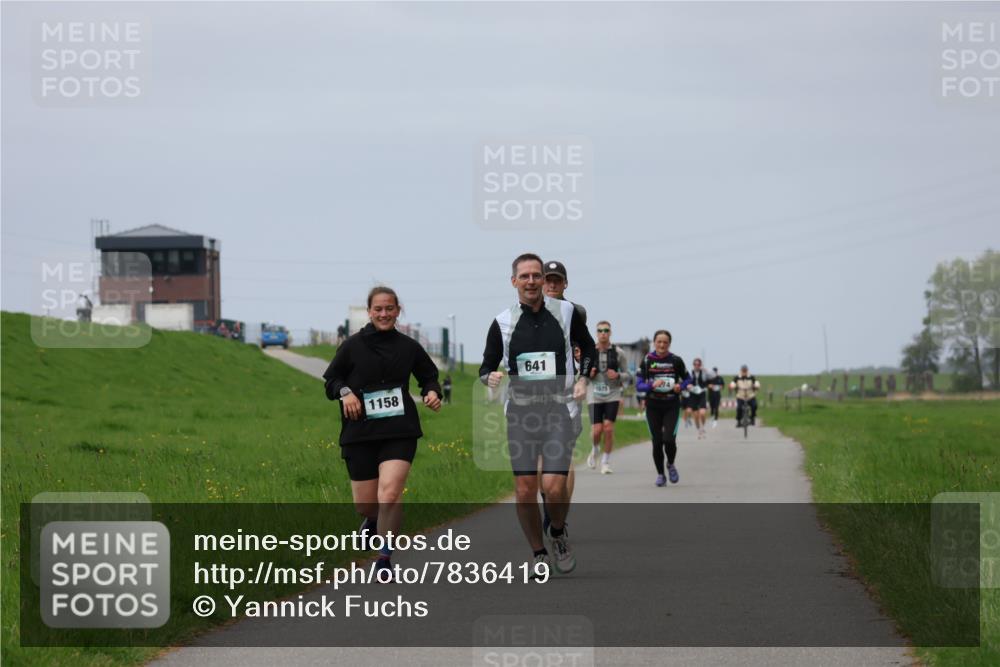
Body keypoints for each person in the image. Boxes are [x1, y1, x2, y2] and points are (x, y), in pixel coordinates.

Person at [480, 253, 595, 575]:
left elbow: (587, 348)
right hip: (520, 413)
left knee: (554, 487)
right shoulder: (502, 322)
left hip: (557, 409)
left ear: (543, 281)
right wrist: (489, 377)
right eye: (525, 276)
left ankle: (557, 532)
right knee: (524, 490)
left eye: (536, 275)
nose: (531, 281)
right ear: (514, 281)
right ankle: (538, 553)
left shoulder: (567, 312)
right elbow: (486, 366)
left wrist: (583, 379)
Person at [323, 286, 442, 580]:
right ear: (369, 312)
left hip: (399, 430)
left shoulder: (409, 347)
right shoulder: (352, 346)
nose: (384, 314)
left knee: (389, 494)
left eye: (389, 308)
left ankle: (384, 558)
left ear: (398, 311)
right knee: (366, 504)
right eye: (378, 309)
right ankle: (373, 520)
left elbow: (428, 376)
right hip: (360, 432)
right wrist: (346, 392)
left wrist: (431, 392)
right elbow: (332, 380)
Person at [540, 261, 587, 523]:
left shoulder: (574, 312)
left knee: (562, 458)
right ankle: (550, 504)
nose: (552, 284)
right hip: (535, 396)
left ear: (565, 283)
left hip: (566, 395)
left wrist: (583, 376)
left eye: (557, 280)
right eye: (548, 279)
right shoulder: (525, 312)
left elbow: (585, 347)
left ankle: (559, 520)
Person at [635, 330, 690, 486]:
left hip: (671, 405)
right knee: (657, 442)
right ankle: (660, 474)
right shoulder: (647, 360)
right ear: (654, 343)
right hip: (653, 406)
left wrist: (681, 386)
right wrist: (652, 385)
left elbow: (688, 379)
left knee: (669, 440)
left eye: (665, 342)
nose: (662, 345)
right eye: (659, 341)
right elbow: (639, 385)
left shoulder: (676, 360)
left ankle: (670, 464)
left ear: (669, 344)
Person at [586, 320, 630, 474]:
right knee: (597, 430)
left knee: (608, 428)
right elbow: (581, 375)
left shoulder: (619, 352)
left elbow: (628, 375)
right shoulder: (589, 351)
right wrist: (588, 373)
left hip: (612, 394)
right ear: (596, 333)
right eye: (600, 330)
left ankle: (605, 462)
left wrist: (618, 375)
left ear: (610, 333)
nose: (603, 333)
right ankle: (595, 449)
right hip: (594, 394)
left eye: (606, 330)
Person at [685, 357, 710, 439]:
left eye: (698, 364)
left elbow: (712, 377)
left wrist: (706, 371)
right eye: (695, 364)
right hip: (693, 395)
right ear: (693, 365)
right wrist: (688, 386)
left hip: (702, 394)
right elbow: (686, 382)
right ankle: (699, 430)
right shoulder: (690, 373)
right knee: (695, 416)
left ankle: (703, 427)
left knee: (702, 413)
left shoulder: (704, 373)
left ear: (700, 365)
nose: (697, 366)